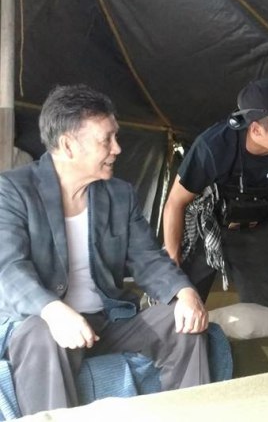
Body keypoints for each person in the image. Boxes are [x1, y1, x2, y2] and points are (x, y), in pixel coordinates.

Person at [0, 85, 210, 416]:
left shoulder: (119, 194)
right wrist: (53, 310)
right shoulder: (13, 191)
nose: (118, 148)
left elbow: (148, 259)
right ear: (68, 145)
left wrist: (184, 292)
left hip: (107, 321)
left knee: (180, 323)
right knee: (42, 334)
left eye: (116, 137)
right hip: (39, 323)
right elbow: (7, 269)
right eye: (106, 140)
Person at [163, 78, 268, 312]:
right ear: (256, 129)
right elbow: (175, 202)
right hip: (207, 229)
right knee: (174, 306)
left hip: (257, 233)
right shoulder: (213, 146)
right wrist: (173, 264)